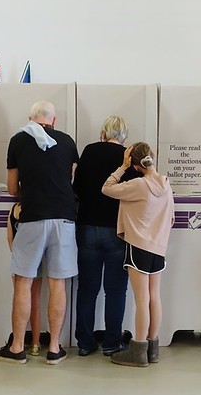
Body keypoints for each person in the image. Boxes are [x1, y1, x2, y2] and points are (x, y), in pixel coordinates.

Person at [0, 101, 79, 365]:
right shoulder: (67, 142)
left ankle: (18, 346)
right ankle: (54, 348)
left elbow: (12, 188)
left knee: (24, 282)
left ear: (31, 118)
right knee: (57, 282)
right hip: (64, 217)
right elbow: (70, 179)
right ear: (54, 121)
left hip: (32, 217)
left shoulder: (18, 140)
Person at [102, 142, 174, 368]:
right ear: (152, 156)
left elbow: (107, 187)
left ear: (134, 164)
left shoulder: (137, 184)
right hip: (159, 248)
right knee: (155, 297)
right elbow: (171, 218)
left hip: (138, 246)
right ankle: (152, 349)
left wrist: (121, 167)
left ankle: (138, 351)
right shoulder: (166, 184)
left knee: (141, 299)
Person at [73, 116, 138, 357]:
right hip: (117, 230)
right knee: (116, 290)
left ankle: (84, 343)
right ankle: (112, 342)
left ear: (103, 132)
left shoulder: (89, 151)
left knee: (87, 289)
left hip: (88, 226)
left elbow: (76, 188)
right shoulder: (127, 158)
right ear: (124, 135)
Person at [6, 202, 43, 356]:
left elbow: (9, 237)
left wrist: (16, 255)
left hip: (20, 260)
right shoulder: (40, 208)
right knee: (35, 302)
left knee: (19, 300)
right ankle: (36, 343)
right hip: (38, 260)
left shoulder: (15, 208)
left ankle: (17, 341)